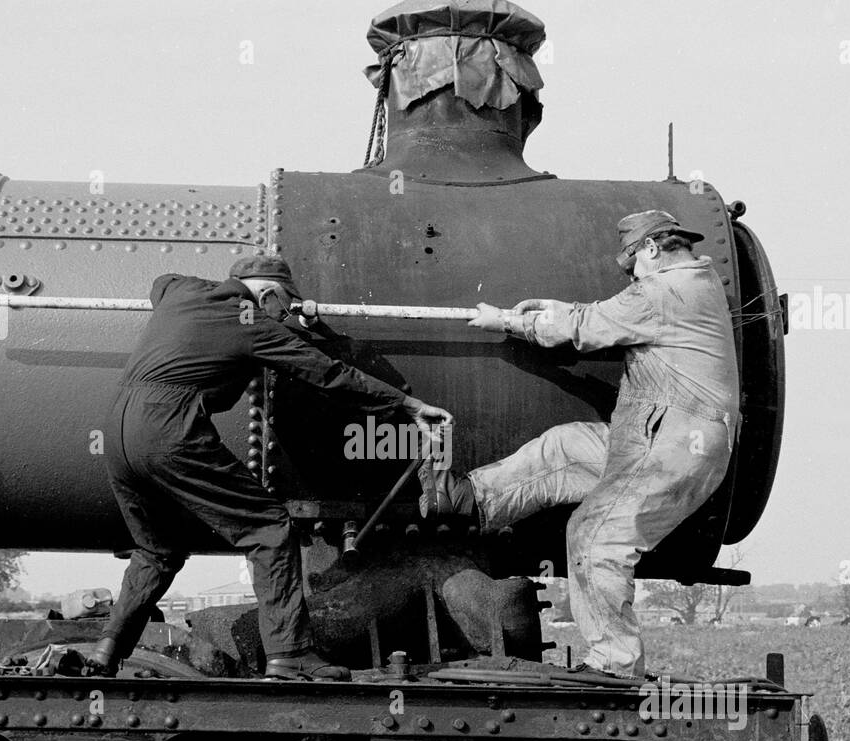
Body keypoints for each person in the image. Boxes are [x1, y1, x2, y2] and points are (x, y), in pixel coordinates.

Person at [88, 254, 453, 680]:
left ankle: (106, 649)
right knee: (270, 530)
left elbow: (160, 279)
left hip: (117, 430)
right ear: (269, 294)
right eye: (283, 303)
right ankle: (290, 653)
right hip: (170, 429)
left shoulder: (179, 291)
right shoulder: (252, 324)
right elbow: (328, 373)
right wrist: (405, 404)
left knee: (157, 550)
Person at [421, 210, 739, 676]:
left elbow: (589, 325)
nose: (631, 276)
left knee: (594, 536)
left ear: (650, 249)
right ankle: (471, 497)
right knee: (566, 448)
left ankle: (614, 663)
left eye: (631, 267)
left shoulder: (669, 289)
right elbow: (601, 316)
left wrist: (506, 321)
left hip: (672, 447)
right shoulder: (691, 285)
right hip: (655, 437)